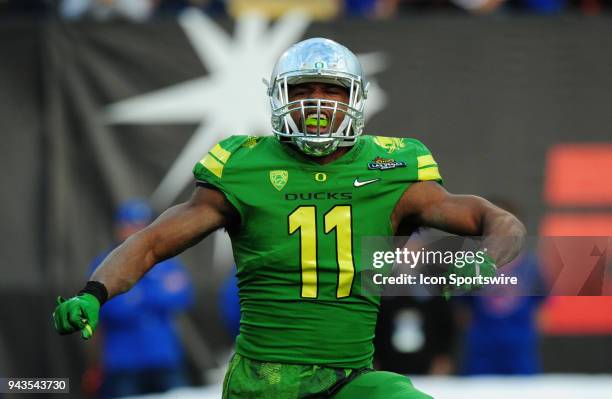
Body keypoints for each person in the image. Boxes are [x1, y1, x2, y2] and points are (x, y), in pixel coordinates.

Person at [53, 38, 526, 398]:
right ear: (280, 97)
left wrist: (481, 261)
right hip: (264, 382)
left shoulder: (393, 167)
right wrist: (95, 292)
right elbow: (153, 241)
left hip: (350, 378)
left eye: (331, 90)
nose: (317, 103)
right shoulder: (243, 165)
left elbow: (497, 220)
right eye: (304, 89)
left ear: (355, 99)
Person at [87, 200, 195, 398]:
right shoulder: (105, 264)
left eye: (142, 225)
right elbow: (113, 310)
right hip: (124, 361)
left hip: (164, 355)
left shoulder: (167, 260)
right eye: (130, 225)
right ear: (119, 228)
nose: (136, 231)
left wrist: (137, 294)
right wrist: (159, 289)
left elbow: (183, 297)